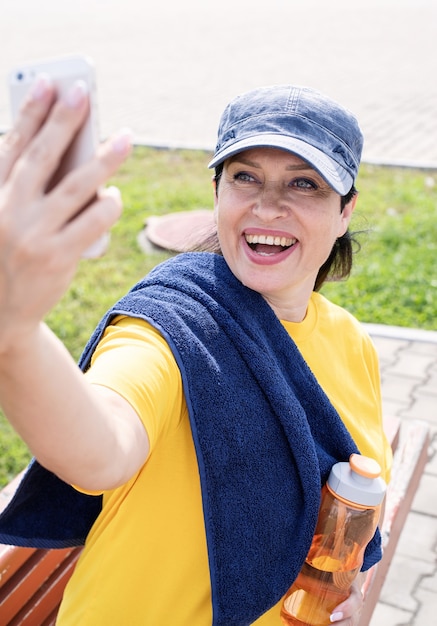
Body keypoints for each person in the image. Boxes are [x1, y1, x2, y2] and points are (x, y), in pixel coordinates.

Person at [0, 79, 392, 626]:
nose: (268, 207)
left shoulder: (352, 342)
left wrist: (351, 579)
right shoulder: (170, 327)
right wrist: (13, 330)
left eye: (304, 184)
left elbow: (351, 499)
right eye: (245, 177)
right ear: (217, 192)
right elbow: (102, 449)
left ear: (345, 210)